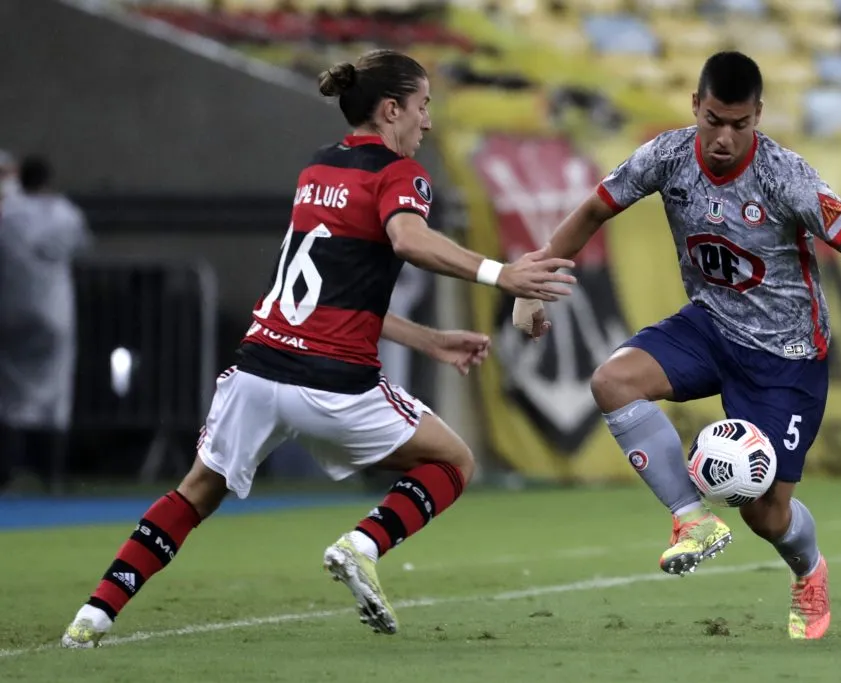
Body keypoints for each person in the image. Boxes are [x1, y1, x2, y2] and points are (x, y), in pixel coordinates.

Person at [61, 49, 577, 648]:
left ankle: (92, 617)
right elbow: (408, 239)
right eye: (422, 106)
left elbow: (329, 291)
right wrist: (501, 274)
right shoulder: (400, 173)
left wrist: (429, 339)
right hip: (333, 384)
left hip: (258, 369)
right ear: (391, 110)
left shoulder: (318, 169)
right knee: (453, 462)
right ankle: (360, 545)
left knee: (194, 493)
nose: (427, 121)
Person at [513, 51, 841, 640]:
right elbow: (592, 209)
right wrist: (533, 288)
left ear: (758, 116)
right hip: (710, 326)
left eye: (739, 125)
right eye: (714, 120)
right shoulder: (666, 156)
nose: (723, 138)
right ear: (695, 106)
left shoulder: (786, 176)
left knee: (766, 514)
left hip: (787, 356)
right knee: (613, 382)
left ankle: (808, 570)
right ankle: (692, 520)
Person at [0, 155, 91, 494]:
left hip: (9, 311)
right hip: (53, 314)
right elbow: (82, 244)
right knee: (55, 392)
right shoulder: (64, 213)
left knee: (9, 394)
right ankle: (52, 473)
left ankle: (8, 471)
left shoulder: (7, 213)